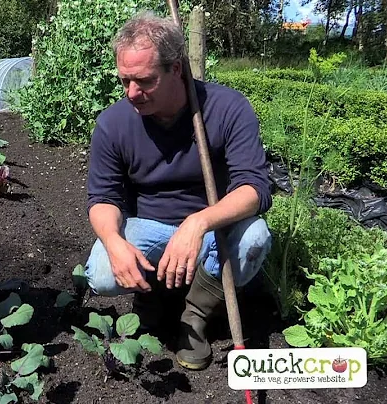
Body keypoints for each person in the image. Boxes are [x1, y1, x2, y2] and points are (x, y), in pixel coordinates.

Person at [83, 11, 273, 371]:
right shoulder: (113, 123)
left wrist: (198, 223)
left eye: (144, 81)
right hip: (150, 225)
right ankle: (151, 298)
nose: (132, 93)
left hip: (212, 228)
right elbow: (103, 198)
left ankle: (195, 315)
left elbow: (255, 189)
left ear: (177, 69)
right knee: (102, 272)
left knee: (254, 239)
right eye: (124, 80)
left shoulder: (226, 108)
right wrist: (113, 241)